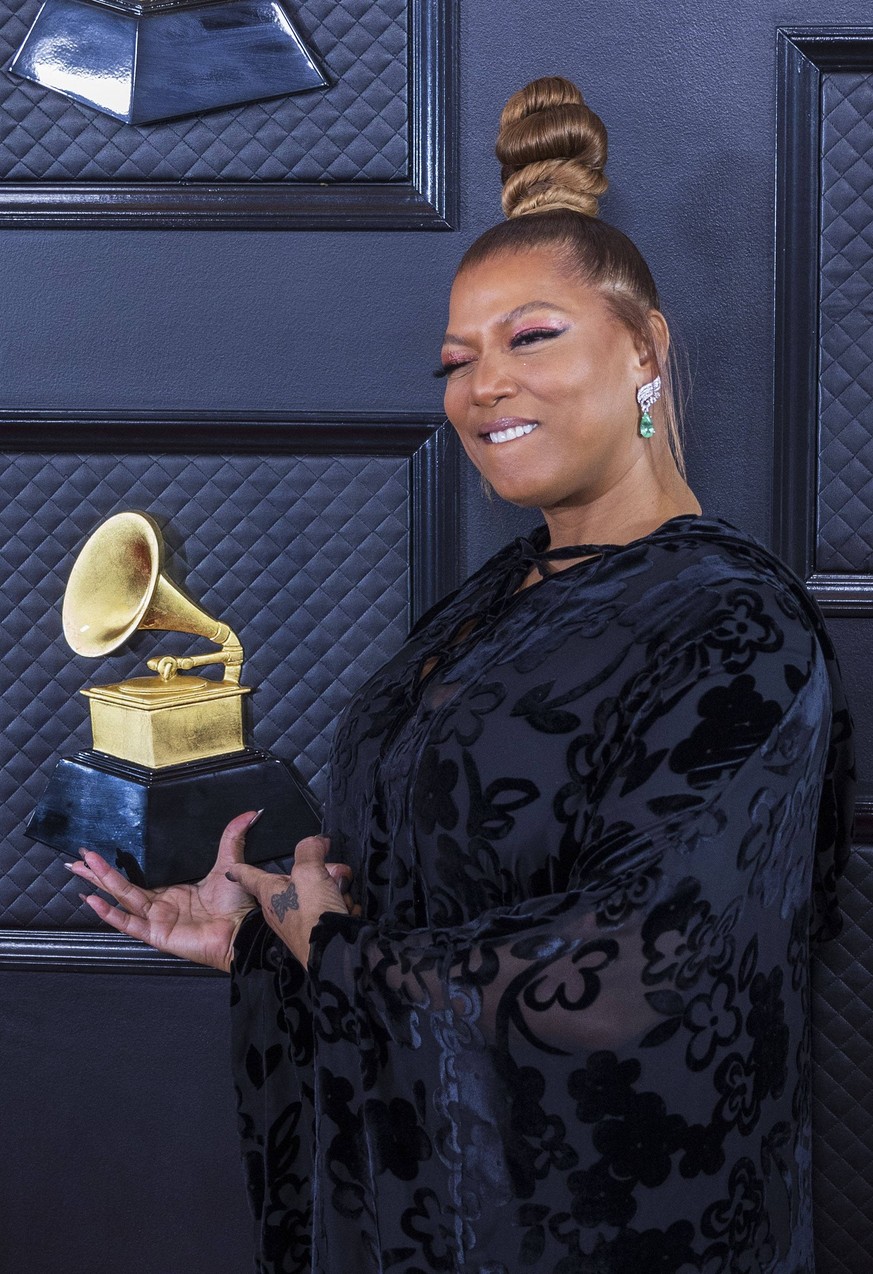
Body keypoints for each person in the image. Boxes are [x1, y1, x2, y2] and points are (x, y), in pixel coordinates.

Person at [67, 77, 854, 1274]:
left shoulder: (738, 626)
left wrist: (330, 949)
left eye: (531, 338)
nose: (483, 385)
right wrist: (263, 941)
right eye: (455, 358)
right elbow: (424, 890)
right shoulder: (494, 600)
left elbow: (643, 971)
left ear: (644, 350)